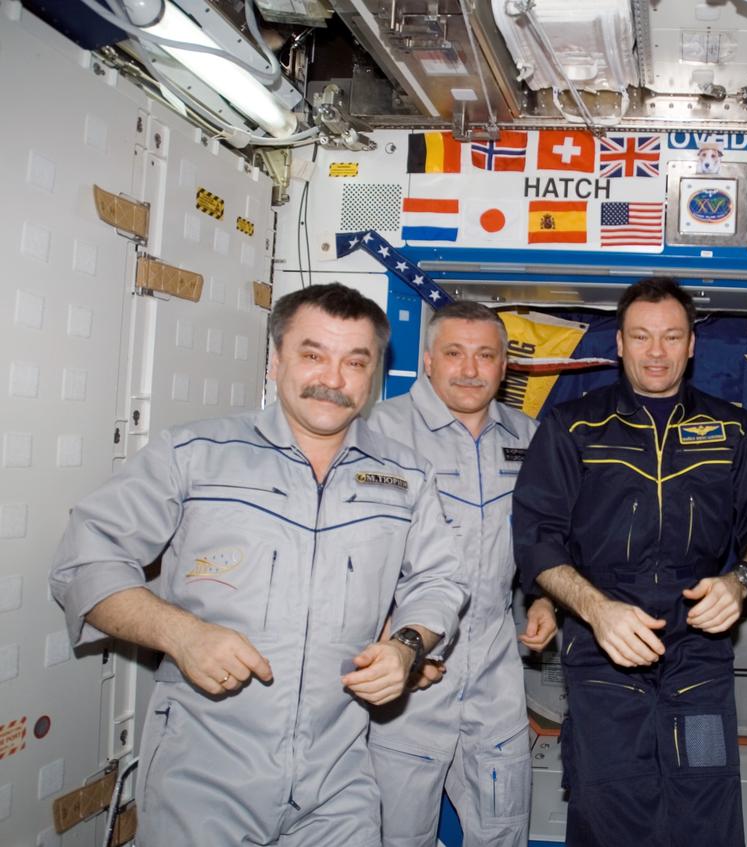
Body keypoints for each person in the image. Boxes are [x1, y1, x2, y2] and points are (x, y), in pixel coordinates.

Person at [49, 283, 468, 846]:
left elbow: (440, 578)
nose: (333, 378)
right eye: (313, 354)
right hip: (204, 775)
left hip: (339, 779)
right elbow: (85, 560)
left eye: (355, 362)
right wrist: (181, 633)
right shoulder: (195, 456)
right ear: (275, 361)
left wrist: (408, 646)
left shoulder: (407, 478)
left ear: (373, 375)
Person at [513, 277, 747, 846]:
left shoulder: (731, 427)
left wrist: (741, 582)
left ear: (692, 345)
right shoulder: (573, 425)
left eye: (671, 336)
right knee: (610, 806)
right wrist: (597, 610)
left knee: (704, 804)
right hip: (602, 652)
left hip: (699, 653)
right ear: (619, 343)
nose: (657, 351)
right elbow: (537, 537)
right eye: (642, 336)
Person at [365, 300, 556, 847]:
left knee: (502, 828)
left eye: (485, 355)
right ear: (427, 360)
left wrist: (545, 599)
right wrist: (387, 643)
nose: (470, 369)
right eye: (454, 353)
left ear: (504, 366)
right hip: (406, 674)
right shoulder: (376, 432)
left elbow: (545, 537)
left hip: (495, 667)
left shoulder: (531, 436)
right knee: (397, 834)